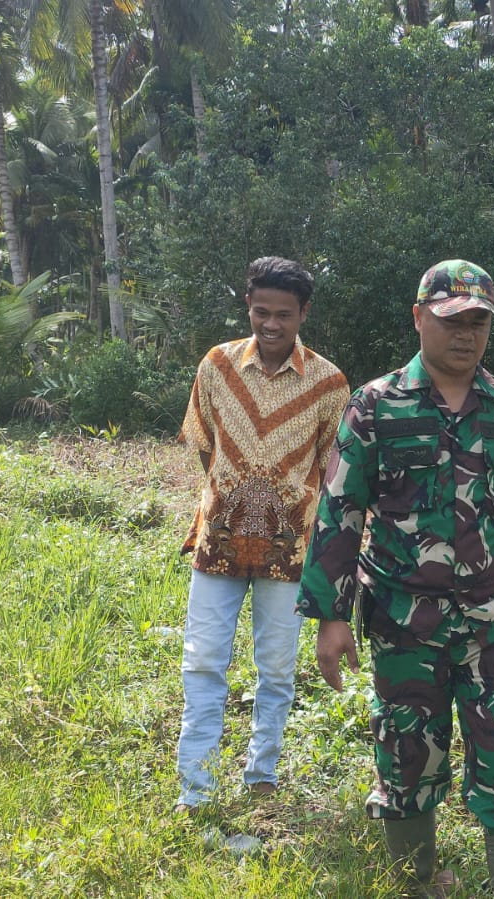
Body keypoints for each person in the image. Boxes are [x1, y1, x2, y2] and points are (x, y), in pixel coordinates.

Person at [298, 259, 494, 899]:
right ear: (420, 318)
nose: (466, 334)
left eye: (478, 322)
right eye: (451, 320)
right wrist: (331, 617)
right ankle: (416, 884)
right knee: (406, 758)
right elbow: (341, 507)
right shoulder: (375, 404)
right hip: (403, 622)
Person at [173, 256, 351, 814]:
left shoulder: (329, 383)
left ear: (303, 314)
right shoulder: (217, 366)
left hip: (289, 551)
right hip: (217, 543)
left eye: (283, 315)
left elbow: (331, 470)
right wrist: (233, 495)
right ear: (248, 306)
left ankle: (262, 774)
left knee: (276, 667)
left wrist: (283, 508)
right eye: (260, 312)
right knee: (203, 660)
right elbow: (203, 443)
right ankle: (195, 789)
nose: (270, 325)